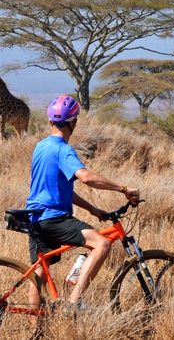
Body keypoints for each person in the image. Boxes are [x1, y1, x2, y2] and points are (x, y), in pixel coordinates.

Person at [25, 95, 140, 311]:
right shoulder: (63, 149)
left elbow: (60, 189)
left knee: (40, 272)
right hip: (54, 219)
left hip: (34, 218)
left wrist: (93, 209)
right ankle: (74, 302)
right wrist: (123, 189)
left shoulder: (40, 147)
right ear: (74, 122)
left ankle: (35, 330)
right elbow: (85, 177)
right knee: (102, 244)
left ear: (51, 121)